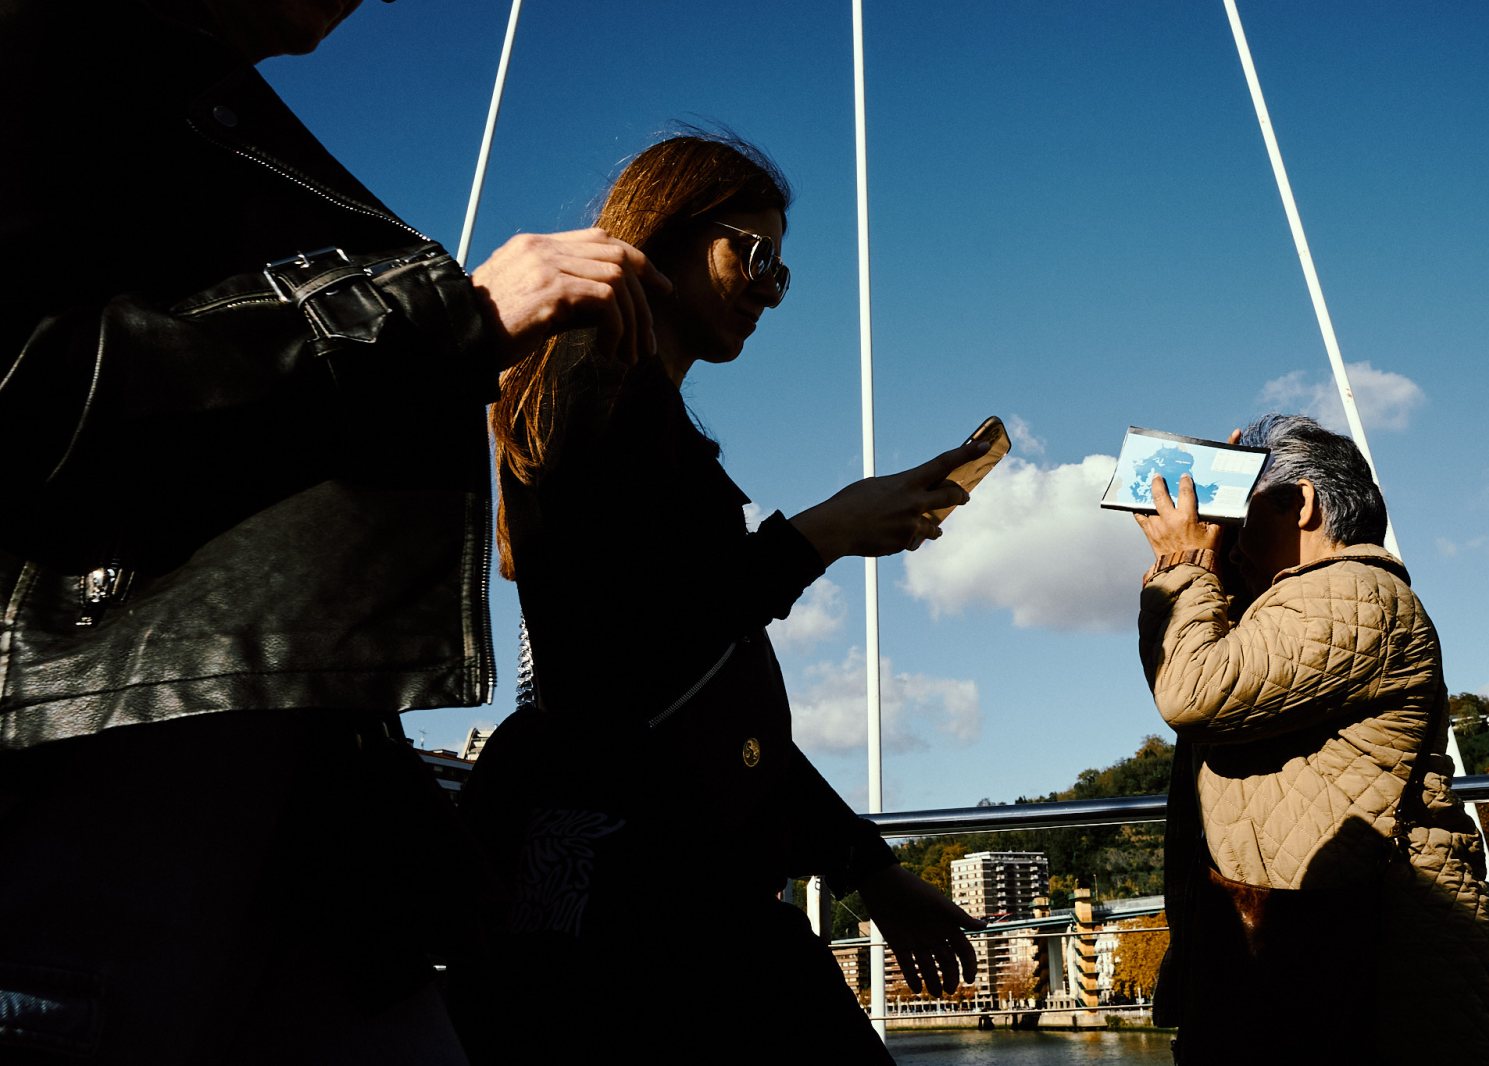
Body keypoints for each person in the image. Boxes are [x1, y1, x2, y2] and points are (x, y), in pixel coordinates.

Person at [0, 2, 669, 1062]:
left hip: (312, 806)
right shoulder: (41, 58)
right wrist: (444, 312)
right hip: (121, 796)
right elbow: (21, 392)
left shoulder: (205, 112)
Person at [448, 133, 985, 1063]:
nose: (769, 292)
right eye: (755, 254)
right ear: (668, 230)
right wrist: (824, 531)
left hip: (670, 895)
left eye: (783, 275)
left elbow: (709, 687)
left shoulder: (625, 400)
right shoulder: (595, 378)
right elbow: (617, 658)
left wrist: (872, 870)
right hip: (641, 911)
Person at [1131, 413, 1489, 1065]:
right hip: (1317, 949)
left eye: (1243, 513)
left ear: (1302, 502)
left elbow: (1193, 691)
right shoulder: (1301, 603)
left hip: (1357, 957)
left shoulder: (1353, 592)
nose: (1232, 538)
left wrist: (1184, 560)